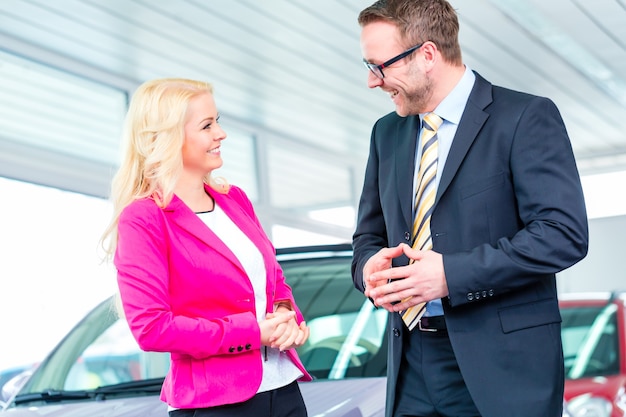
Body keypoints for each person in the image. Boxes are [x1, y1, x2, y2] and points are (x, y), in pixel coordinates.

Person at [351, 1, 589, 416]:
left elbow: (562, 234)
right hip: (411, 365)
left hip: (502, 371)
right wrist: (369, 267)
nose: (373, 82)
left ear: (427, 55)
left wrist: (451, 275)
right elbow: (367, 237)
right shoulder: (385, 134)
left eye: (379, 66)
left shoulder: (524, 118)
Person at [100, 78, 312, 417]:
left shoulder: (235, 200)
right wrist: (253, 333)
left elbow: (274, 281)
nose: (220, 134)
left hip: (283, 390)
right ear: (169, 138)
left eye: (218, 121)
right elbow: (152, 328)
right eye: (206, 125)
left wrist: (287, 315)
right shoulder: (144, 218)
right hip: (216, 403)